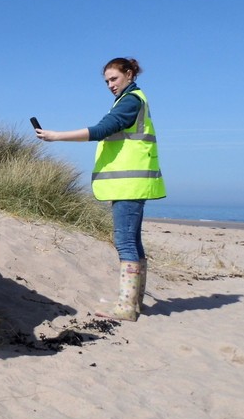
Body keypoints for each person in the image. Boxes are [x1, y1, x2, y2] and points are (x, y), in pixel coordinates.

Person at [34, 57, 166, 321]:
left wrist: (56, 136)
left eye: (114, 79)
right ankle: (135, 302)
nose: (109, 85)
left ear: (129, 74)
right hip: (132, 183)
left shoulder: (131, 100)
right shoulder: (130, 99)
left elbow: (103, 129)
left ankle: (127, 306)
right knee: (133, 242)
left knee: (125, 242)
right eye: (106, 81)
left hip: (129, 184)